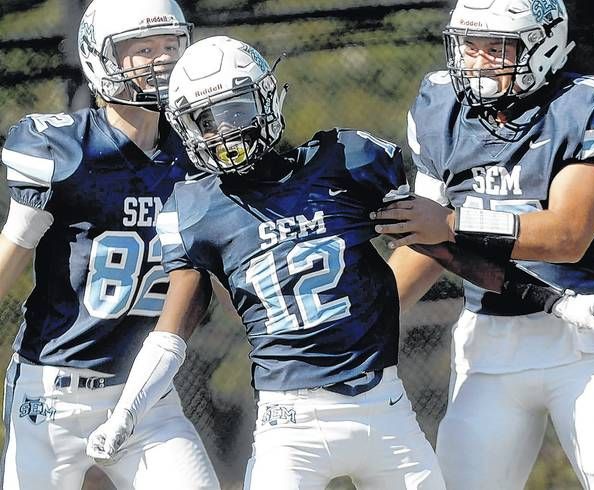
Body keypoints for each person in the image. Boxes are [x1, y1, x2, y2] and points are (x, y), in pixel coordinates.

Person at [85, 35, 448, 490]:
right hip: (288, 424)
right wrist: (125, 415)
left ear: (267, 97)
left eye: (235, 110)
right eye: (206, 120)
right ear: (185, 127)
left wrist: (544, 297)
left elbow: (442, 246)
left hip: (385, 406)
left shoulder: (347, 161)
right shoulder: (196, 208)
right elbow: (169, 335)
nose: (225, 131)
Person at [373, 0, 594, 488]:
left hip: (585, 334)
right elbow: (424, 240)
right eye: (467, 45)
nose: (475, 60)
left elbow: (566, 236)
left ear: (545, 46)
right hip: (490, 342)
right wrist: (365, 318)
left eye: (494, 48)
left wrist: (452, 222)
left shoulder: (590, 105)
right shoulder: (441, 107)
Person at [0, 0, 220, 488]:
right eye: (142, 50)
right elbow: (12, 251)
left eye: (170, 46)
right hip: (52, 392)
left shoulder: (200, 154)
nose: (162, 60)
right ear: (100, 58)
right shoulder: (62, 148)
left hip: (148, 396)